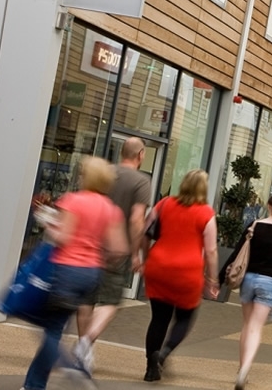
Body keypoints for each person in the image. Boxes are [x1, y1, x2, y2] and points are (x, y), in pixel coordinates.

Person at [22, 157, 128, 390]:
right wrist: (99, 258)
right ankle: (33, 385)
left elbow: (63, 237)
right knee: (55, 326)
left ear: (86, 177)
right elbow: (120, 248)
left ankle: (71, 368)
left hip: (66, 270)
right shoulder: (111, 209)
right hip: (91, 274)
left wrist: (48, 223)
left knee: (51, 330)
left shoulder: (74, 201)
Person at [74, 137, 151, 374]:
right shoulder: (141, 181)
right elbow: (137, 220)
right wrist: (136, 253)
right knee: (110, 302)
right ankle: (84, 344)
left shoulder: (104, 174)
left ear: (122, 153)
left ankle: (85, 353)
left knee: (87, 300)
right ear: (141, 155)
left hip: (90, 245)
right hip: (118, 250)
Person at [141, 169, 219, 382]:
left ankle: (150, 368)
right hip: (188, 272)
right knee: (185, 318)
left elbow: (146, 231)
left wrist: (145, 258)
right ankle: (163, 354)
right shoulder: (206, 213)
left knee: (158, 318)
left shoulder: (164, 204)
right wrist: (213, 279)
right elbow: (211, 251)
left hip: (158, 267)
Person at [221, 191, 272, 390]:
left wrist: (221, 277)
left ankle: (240, 369)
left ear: (269, 206)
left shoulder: (254, 225)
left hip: (248, 279)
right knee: (256, 327)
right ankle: (246, 368)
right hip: (269, 281)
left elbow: (238, 252)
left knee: (246, 325)